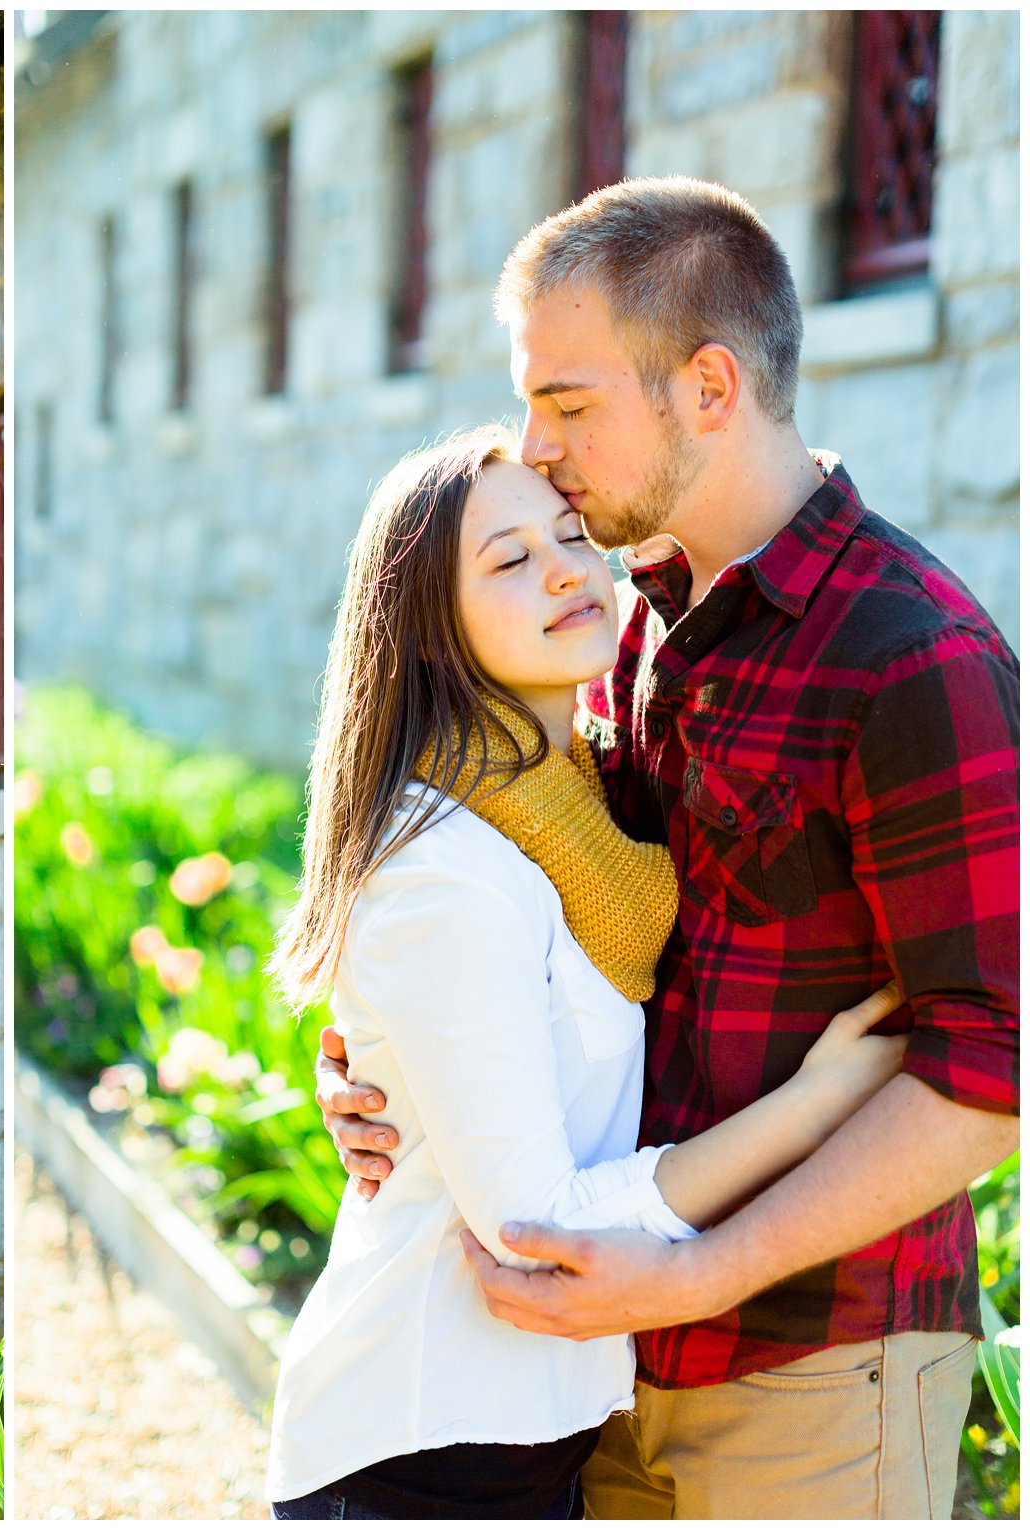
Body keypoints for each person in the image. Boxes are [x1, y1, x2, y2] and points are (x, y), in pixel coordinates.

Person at [314, 177, 1018, 1518]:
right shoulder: (625, 623)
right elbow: (519, 908)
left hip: (819, 1357)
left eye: (569, 405)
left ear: (708, 386)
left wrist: (699, 1272)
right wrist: (378, 1059)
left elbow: (990, 1067)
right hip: (601, 1352)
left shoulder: (915, 655)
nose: (537, 445)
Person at [263, 423, 910, 1519]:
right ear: (425, 633)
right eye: (507, 560)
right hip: (420, 1446)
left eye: (567, 535)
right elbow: (533, 1222)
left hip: (524, 1435)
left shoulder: (578, 810)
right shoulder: (447, 867)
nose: (565, 567)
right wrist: (815, 1105)